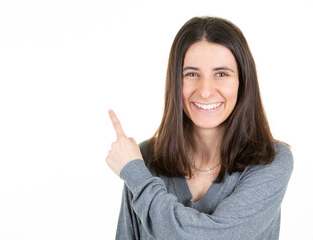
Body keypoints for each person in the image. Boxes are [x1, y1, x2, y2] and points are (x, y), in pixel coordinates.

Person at [106, 16, 293, 240]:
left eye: (221, 74)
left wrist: (135, 174)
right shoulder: (144, 159)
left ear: (243, 82)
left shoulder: (270, 161)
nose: (205, 91)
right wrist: (137, 169)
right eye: (192, 74)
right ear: (175, 82)